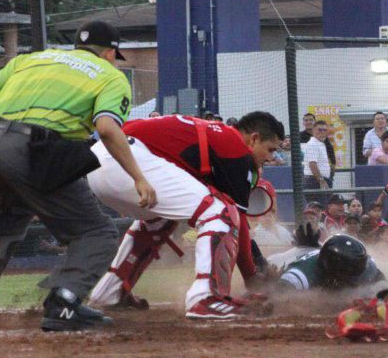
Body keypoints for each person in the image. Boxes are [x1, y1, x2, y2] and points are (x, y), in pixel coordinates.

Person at [0, 21, 155, 332]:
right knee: (97, 233)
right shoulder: (110, 76)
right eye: (114, 55)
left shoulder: (33, 58)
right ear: (109, 52)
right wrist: (139, 178)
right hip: (37, 151)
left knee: (11, 213)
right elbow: (106, 127)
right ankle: (64, 302)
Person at [87, 112, 284, 319]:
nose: (271, 158)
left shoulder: (215, 134)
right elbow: (238, 221)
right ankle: (206, 297)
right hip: (127, 158)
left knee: (159, 221)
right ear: (253, 139)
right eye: (270, 149)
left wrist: (253, 268)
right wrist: (252, 276)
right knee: (221, 212)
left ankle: (110, 292)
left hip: (104, 158)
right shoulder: (235, 148)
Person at [302, 120, 332, 191]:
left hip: (319, 180)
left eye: (324, 130)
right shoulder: (313, 144)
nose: (322, 132)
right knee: (317, 202)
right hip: (315, 181)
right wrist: (321, 180)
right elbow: (312, 164)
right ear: (313, 130)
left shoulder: (320, 143)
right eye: (320, 130)